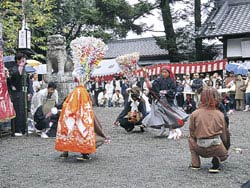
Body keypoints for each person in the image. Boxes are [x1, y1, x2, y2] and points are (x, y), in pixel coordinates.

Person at [55, 79, 108, 160]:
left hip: (70, 133)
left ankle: (65, 152)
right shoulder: (86, 110)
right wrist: (103, 135)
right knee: (85, 133)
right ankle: (84, 153)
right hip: (82, 130)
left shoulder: (67, 109)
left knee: (68, 131)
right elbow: (96, 124)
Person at [188, 87, 230, 173]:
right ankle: (217, 159)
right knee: (223, 138)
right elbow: (225, 136)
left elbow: (192, 133)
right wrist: (226, 148)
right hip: (217, 147)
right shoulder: (220, 114)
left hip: (200, 147)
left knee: (190, 139)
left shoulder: (195, 114)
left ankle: (195, 164)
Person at [142, 66, 189, 139]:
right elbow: (152, 87)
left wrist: (166, 92)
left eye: (165, 72)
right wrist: (147, 80)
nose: (163, 74)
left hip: (167, 101)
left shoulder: (172, 80)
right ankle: (162, 128)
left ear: (168, 73)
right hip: (158, 100)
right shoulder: (158, 80)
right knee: (158, 114)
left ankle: (172, 130)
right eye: (162, 72)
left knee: (168, 115)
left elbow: (173, 90)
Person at [9, 52, 32, 136]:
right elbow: (14, 80)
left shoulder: (25, 69)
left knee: (24, 111)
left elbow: (28, 82)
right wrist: (20, 67)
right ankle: (17, 129)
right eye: (22, 59)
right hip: (17, 93)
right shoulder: (13, 69)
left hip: (24, 93)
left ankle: (24, 128)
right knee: (18, 111)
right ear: (18, 60)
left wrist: (30, 92)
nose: (23, 60)